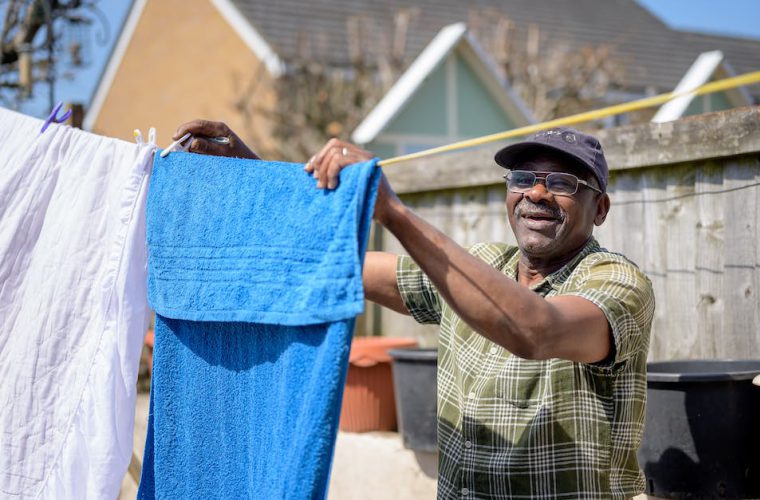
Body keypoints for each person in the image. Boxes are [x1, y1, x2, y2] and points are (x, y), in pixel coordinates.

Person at [173, 120, 655, 499]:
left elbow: (535, 330)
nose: (536, 193)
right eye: (523, 178)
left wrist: (396, 213)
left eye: (563, 182)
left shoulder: (617, 282)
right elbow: (329, 258)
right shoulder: (485, 265)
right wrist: (249, 175)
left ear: (602, 209)